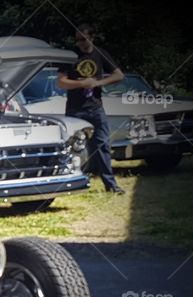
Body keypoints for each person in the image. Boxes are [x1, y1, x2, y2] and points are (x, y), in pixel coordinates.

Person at [57, 23, 125, 194]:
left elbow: (119, 75)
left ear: (92, 37)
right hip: (75, 109)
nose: (80, 43)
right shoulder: (71, 56)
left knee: (102, 146)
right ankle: (69, 182)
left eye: (83, 39)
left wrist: (98, 83)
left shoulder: (100, 53)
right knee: (73, 147)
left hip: (95, 107)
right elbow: (60, 82)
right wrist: (82, 83)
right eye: (77, 39)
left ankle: (110, 185)